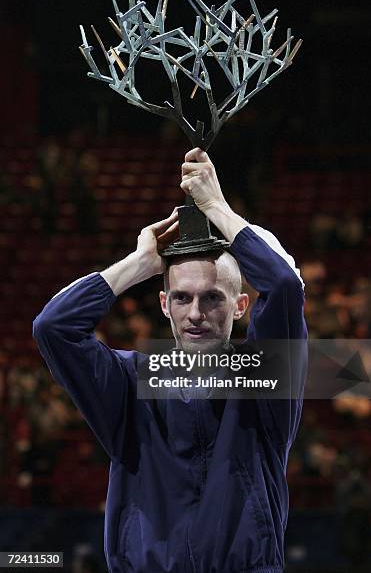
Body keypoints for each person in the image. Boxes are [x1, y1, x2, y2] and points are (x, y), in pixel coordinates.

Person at [33, 147, 307, 573]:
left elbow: (285, 286)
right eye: (182, 297)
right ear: (164, 303)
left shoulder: (266, 376)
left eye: (212, 298)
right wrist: (139, 264)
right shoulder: (128, 380)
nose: (195, 313)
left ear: (240, 306)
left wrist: (217, 207)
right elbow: (53, 328)